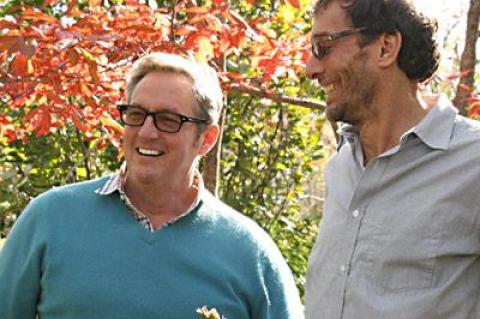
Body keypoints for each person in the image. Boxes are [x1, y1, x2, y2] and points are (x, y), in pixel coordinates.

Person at [0, 52, 304, 319]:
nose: (146, 132)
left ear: (207, 139)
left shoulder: (249, 252)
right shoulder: (51, 219)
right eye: (136, 115)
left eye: (168, 120)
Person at [304, 0, 480, 318]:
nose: (310, 69)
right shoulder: (341, 168)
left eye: (323, 46)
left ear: (385, 47)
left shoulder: (473, 163)